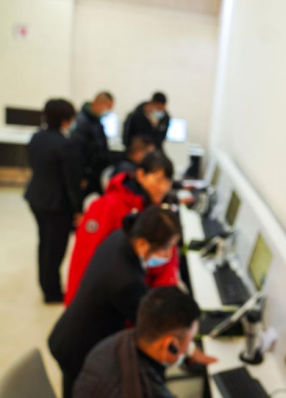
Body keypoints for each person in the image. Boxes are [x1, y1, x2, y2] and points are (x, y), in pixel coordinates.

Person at [50, 206, 212, 398]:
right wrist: (190, 349)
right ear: (143, 244)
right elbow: (154, 326)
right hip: (77, 346)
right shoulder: (125, 282)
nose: (169, 255)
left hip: (78, 330)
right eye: (166, 248)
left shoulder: (121, 236)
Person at [64, 151, 179, 306]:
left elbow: (164, 254)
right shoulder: (108, 206)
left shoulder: (154, 208)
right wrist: (77, 305)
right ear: (140, 175)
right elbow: (84, 259)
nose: (163, 187)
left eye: (167, 181)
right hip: (112, 299)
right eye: (158, 180)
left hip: (140, 293)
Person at [73, 287, 217, 398]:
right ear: (170, 345)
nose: (190, 346)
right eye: (191, 339)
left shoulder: (111, 344)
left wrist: (189, 349)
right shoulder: (147, 392)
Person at [24, 99, 83, 303]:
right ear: (66, 120)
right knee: (55, 249)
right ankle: (52, 292)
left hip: (36, 197)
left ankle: (46, 286)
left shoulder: (36, 137)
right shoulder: (66, 145)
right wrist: (78, 209)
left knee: (44, 244)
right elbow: (71, 182)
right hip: (57, 204)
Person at [71, 91, 115, 198]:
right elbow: (78, 152)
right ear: (100, 103)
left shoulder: (96, 120)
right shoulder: (82, 121)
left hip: (95, 171)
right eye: (108, 107)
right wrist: (82, 175)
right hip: (88, 173)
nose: (109, 111)